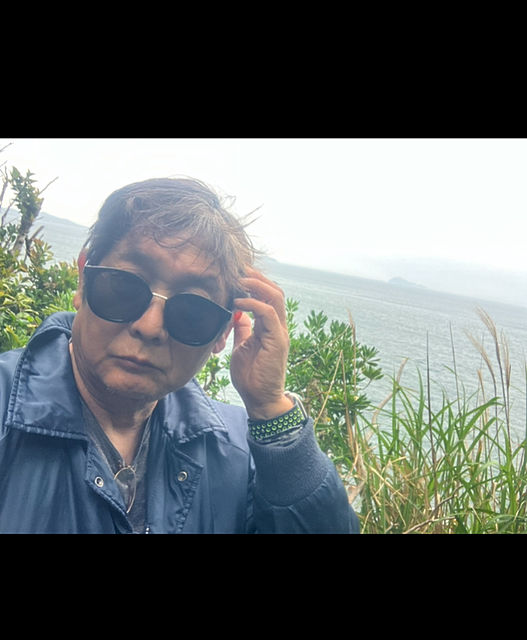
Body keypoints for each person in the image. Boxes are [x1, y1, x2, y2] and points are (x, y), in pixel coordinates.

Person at [0, 177, 360, 534]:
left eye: (192, 311)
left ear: (223, 332)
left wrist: (271, 410)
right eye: (124, 287)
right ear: (83, 281)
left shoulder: (239, 453)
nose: (150, 327)